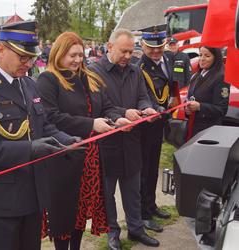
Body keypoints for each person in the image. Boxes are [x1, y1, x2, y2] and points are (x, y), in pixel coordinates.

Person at [0, 21, 79, 250]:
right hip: (3, 198)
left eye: (31, 57)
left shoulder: (29, 84)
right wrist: (31, 149)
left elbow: (42, 126)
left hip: (34, 194)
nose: (29, 63)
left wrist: (65, 139)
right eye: (23, 57)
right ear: (1, 49)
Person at [36, 31, 131, 250]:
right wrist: (90, 125)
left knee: (81, 211)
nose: (78, 60)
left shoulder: (90, 77)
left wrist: (120, 118)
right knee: (64, 213)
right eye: (72, 55)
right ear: (59, 54)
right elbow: (51, 117)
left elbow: (106, 106)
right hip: (63, 156)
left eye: (80, 55)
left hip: (90, 157)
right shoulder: (48, 80)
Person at [89, 28, 159, 249]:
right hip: (106, 144)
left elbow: (142, 97)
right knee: (107, 194)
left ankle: (136, 229)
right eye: (124, 51)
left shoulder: (135, 71)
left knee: (133, 191)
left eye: (132, 52)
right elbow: (97, 107)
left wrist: (146, 109)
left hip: (131, 141)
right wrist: (123, 113)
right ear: (110, 47)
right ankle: (112, 232)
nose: (128, 56)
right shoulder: (94, 71)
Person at [139, 25, 177, 233]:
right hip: (147, 124)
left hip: (160, 123)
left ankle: (151, 205)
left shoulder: (169, 59)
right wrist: (155, 108)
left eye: (159, 47)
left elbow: (170, 87)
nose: (156, 51)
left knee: (153, 168)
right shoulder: (140, 68)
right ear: (143, 45)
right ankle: (143, 213)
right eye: (151, 47)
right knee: (144, 170)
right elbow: (143, 94)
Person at [185, 46, 229, 137]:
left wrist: (199, 106)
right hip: (192, 128)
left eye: (207, 56)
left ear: (216, 58)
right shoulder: (196, 76)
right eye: (200, 55)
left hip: (208, 132)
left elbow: (221, 110)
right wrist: (187, 109)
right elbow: (191, 98)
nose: (202, 59)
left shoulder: (221, 77)